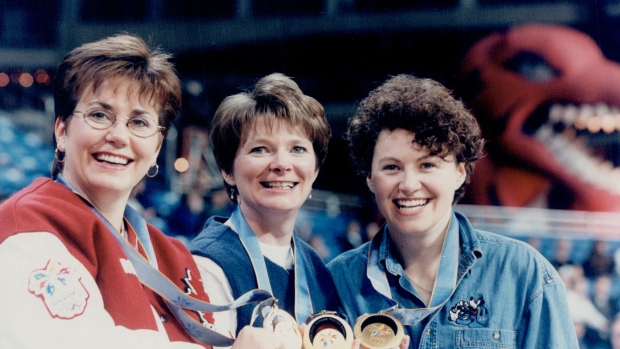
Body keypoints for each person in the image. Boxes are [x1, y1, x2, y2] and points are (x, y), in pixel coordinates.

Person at [0, 34, 282, 349]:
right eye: (99, 115)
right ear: (62, 132)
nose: (119, 136)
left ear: (156, 147)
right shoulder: (26, 226)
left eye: (139, 122)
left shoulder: (173, 256)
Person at [328, 74, 579, 348]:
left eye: (427, 165)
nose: (409, 185)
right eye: (391, 167)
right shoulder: (338, 282)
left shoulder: (522, 274)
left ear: (460, 172)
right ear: (369, 178)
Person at [189, 73, 344, 347]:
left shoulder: (314, 267)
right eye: (261, 149)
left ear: (315, 169)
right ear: (228, 171)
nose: (282, 164)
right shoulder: (207, 266)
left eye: (297, 149)